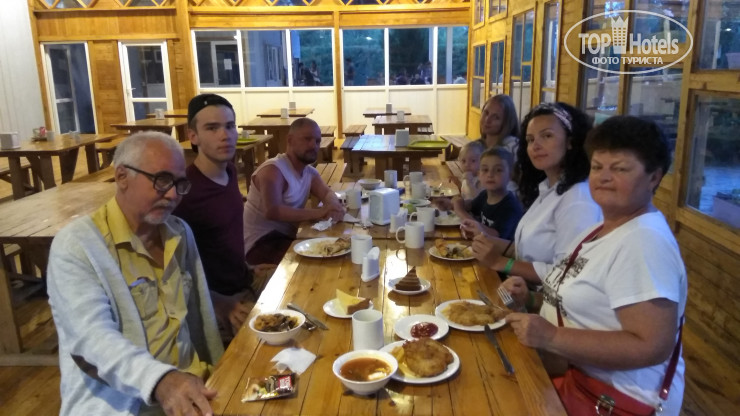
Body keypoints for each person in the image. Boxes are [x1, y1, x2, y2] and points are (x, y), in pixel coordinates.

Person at [502, 115, 686, 415]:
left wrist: (551, 337)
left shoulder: (644, 241)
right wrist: (532, 299)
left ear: (654, 177)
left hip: (610, 399)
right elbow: (587, 306)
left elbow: (652, 346)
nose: (603, 177)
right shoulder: (601, 229)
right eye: (598, 167)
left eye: (620, 168)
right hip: (571, 376)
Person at [47, 132, 223, 416]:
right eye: (162, 180)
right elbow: (91, 341)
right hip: (129, 406)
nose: (172, 195)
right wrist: (161, 381)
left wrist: (220, 371)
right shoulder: (77, 245)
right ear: (122, 176)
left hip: (194, 389)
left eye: (180, 184)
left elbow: (198, 318)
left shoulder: (179, 232)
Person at [172, 94, 272, 339]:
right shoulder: (184, 193)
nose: (225, 135)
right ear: (193, 136)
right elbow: (173, 272)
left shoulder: (229, 171)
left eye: (229, 126)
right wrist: (219, 304)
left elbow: (221, 238)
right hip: (217, 304)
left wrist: (246, 266)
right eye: (212, 128)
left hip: (245, 281)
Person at [471, 102, 602, 284]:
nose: (535, 146)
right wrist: (484, 240)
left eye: (547, 136)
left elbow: (566, 274)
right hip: (519, 291)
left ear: (570, 141)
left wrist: (500, 262)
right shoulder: (548, 187)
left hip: (541, 300)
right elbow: (528, 251)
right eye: (530, 139)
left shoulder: (578, 198)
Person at [243, 117, 345, 265]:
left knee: (336, 252)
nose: (313, 145)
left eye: (317, 141)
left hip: (286, 238)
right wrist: (321, 212)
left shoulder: (309, 172)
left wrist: (334, 206)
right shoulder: (273, 170)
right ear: (290, 140)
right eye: (307, 139)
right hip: (261, 244)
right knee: (318, 264)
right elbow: (272, 211)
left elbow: (327, 193)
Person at [453, 147, 523, 241]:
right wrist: (450, 203)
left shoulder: (510, 207)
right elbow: (469, 206)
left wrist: (460, 211)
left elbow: (493, 236)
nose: (490, 174)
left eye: (498, 170)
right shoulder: (485, 195)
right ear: (479, 174)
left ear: (510, 176)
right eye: (485, 170)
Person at [476, 94, 520, 190]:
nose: (487, 120)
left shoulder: (512, 147)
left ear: (506, 122)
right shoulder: (477, 145)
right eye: (486, 113)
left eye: (496, 117)